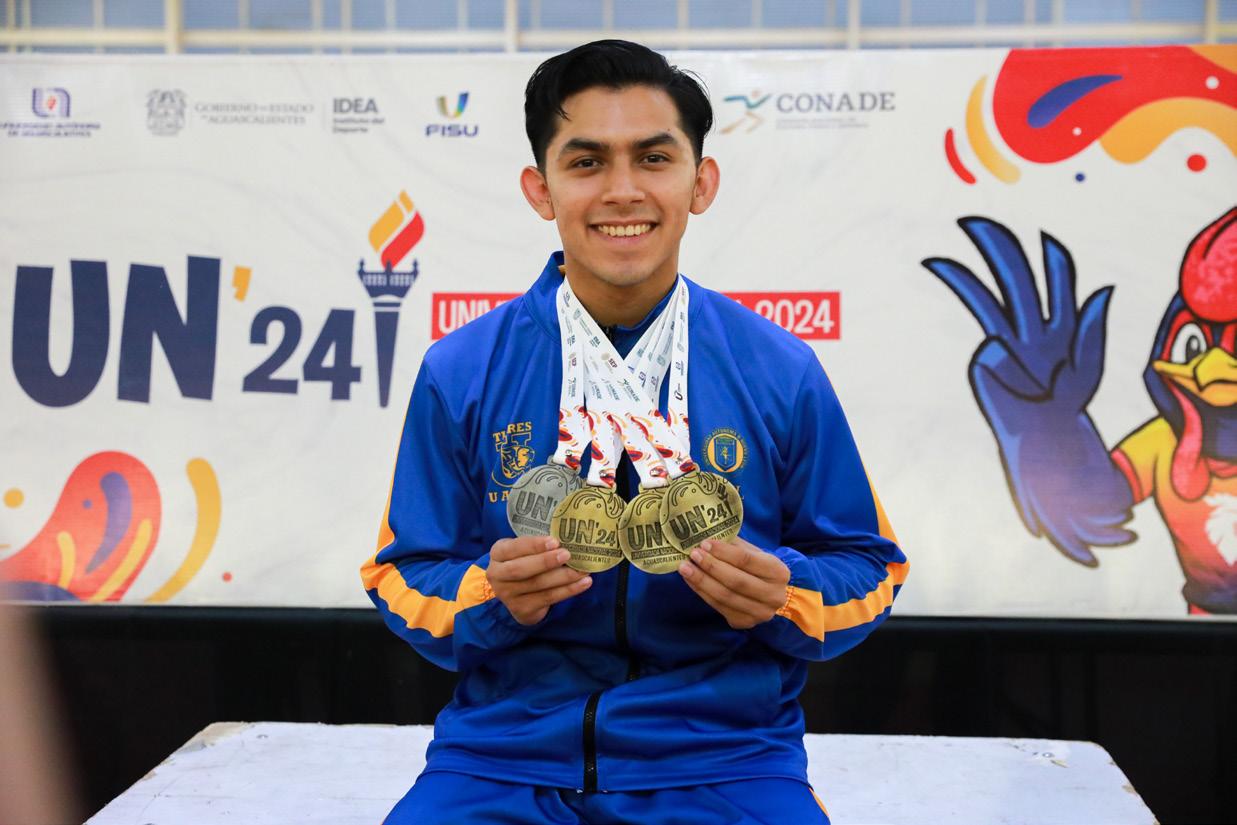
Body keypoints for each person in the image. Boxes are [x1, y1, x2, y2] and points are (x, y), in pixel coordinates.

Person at [361, 39, 908, 825]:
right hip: (502, 759)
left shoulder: (777, 368)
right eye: (586, 162)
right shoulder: (462, 369)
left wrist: (783, 591)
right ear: (540, 189)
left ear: (700, 182)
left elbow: (871, 567)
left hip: (724, 756)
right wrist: (489, 593)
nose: (622, 191)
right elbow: (401, 574)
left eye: (653, 158)